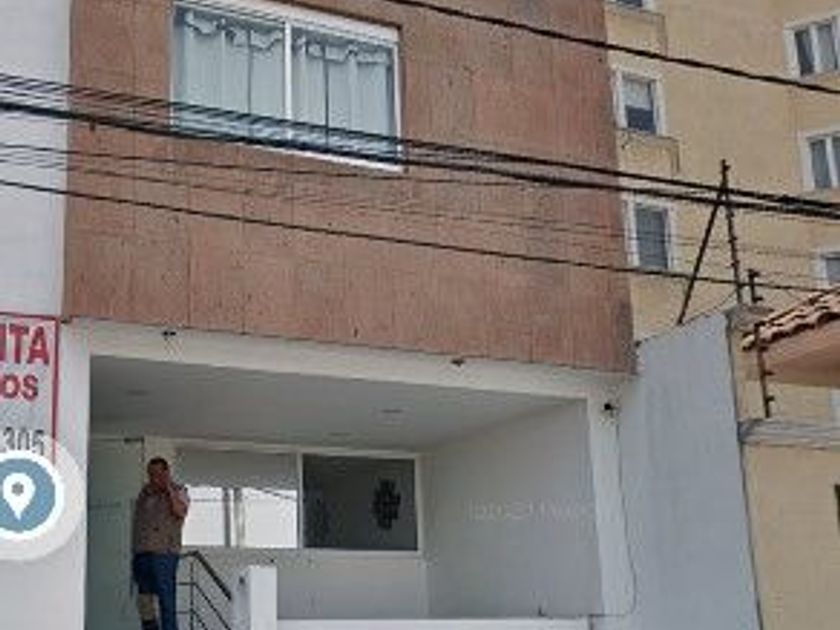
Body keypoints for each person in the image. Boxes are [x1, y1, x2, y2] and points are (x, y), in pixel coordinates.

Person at [131, 457, 190, 630]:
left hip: (164, 554)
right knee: (144, 602)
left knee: (166, 600)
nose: (153, 478)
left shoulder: (180, 491)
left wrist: (169, 488)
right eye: (150, 474)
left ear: (166, 473)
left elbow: (180, 511)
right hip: (141, 554)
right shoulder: (144, 493)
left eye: (157, 474)